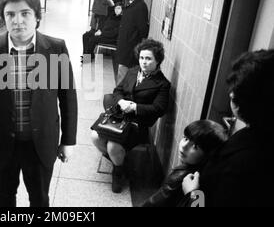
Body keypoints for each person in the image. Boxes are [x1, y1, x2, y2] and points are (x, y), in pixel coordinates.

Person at [0, 0, 78, 207]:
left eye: (25, 13)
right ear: (3, 17)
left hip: (41, 144)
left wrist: (68, 140)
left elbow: (68, 98)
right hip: (3, 142)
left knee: (40, 199)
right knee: (5, 198)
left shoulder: (56, 48)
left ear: (37, 15)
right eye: (10, 14)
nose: (17, 21)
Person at [182, 50, 274, 207]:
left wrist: (193, 194)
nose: (230, 93)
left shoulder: (245, 161)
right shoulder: (255, 137)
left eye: (235, 91)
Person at [91, 39, 170, 193]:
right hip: (119, 117)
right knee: (95, 136)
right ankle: (119, 163)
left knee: (113, 145)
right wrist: (120, 101)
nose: (144, 62)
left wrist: (135, 107)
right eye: (142, 58)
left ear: (158, 60)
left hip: (137, 124)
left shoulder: (162, 84)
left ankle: (118, 172)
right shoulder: (133, 71)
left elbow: (159, 109)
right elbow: (117, 90)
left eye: (148, 59)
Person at [142, 120, 227, 207]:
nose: (184, 146)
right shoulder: (206, 173)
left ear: (208, 155)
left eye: (195, 146)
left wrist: (192, 193)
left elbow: (153, 204)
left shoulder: (182, 178)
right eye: (185, 138)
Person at [116, 0, 149, 85]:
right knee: (123, 71)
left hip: (130, 45)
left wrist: (134, 42)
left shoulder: (140, 6)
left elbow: (143, 29)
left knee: (124, 72)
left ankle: (120, 96)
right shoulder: (131, 5)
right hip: (125, 44)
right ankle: (120, 95)